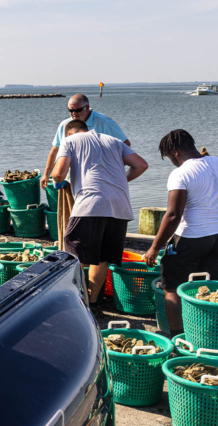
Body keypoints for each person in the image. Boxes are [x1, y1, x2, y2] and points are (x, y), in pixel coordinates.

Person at [52, 119, 148, 303]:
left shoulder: (69, 141)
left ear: (70, 133)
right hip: (119, 206)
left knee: (75, 254)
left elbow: (59, 173)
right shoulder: (114, 141)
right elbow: (141, 165)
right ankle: (93, 302)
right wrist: (119, 182)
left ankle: (74, 302)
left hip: (91, 204)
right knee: (102, 258)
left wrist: (57, 180)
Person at [144, 130, 218, 335]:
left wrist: (154, 247)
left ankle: (178, 338)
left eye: (169, 156)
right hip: (217, 236)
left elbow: (173, 215)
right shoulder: (217, 163)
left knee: (172, 287)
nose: (171, 161)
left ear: (175, 152)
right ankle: (207, 334)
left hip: (191, 238)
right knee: (209, 287)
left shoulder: (181, 173)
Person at [42, 93, 129, 190]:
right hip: (69, 182)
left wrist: (112, 169)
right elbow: (55, 150)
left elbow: (126, 145)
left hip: (98, 181)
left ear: (87, 107)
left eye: (77, 110)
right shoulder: (65, 125)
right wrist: (46, 174)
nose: (74, 113)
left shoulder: (105, 122)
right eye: (71, 110)